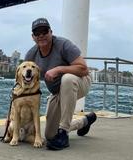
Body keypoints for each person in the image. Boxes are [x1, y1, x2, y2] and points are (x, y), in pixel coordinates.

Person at [24, 17, 97, 150]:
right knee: (50, 135)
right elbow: (25, 83)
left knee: (67, 79)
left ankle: (64, 133)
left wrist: (58, 69)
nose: (41, 36)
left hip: (80, 81)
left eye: (44, 31)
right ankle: (84, 122)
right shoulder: (31, 55)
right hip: (58, 92)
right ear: (33, 37)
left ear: (51, 32)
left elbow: (84, 69)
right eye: (37, 33)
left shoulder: (63, 45)